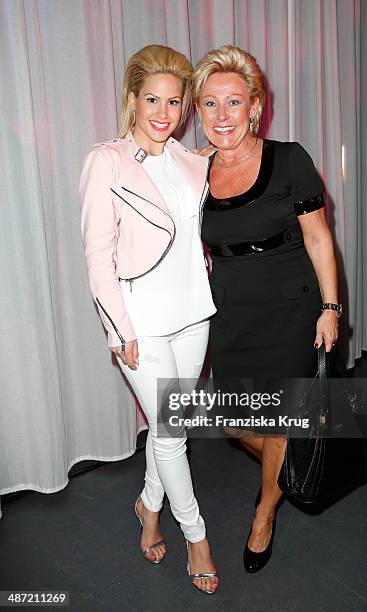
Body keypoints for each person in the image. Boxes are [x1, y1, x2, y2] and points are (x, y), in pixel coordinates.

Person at [193, 45, 341, 573]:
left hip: (290, 308)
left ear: (254, 106)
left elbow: (320, 239)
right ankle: (295, 465)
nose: (222, 116)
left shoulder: (289, 158)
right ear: (198, 112)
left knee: (276, 423)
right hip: (232, 310)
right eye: (210, 104)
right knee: (236, 421)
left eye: (233, 102)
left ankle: (264, 514)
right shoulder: (195, 172)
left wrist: (330, 307)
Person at [79, 45, 219, 595]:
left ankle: (148, 506)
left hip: (194, 313)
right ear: (132, 99)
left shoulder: (189, 160)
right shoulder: (106, 160)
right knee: (170, 433)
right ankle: (197, 537)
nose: (164, 112)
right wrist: (120, 328)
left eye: (174, 101)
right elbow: (98, 256)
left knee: (172, 429)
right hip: (141, 319)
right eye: (152, 98)